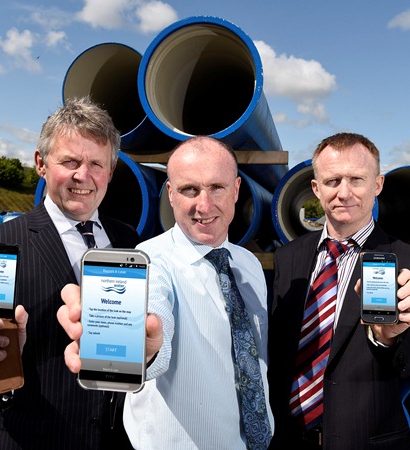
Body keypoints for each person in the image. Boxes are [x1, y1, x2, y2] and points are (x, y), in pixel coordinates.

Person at [58, 136, 274, 449]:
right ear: (171, 194)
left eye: (217, 187)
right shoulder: (150, 263)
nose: (204, 204)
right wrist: (143, 349)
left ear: (236, 190)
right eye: (190, 190)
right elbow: (153, 329)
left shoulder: (248, 264)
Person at [0, 97, 141, 450]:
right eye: (69, 161)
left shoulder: (128, 240)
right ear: (41, 163)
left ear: (111, 171)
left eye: (96, 164)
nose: (82, 176)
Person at [267, 132, 410, 449]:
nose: (344, 193)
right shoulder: (288, 257)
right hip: (287, 439)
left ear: (377, 185)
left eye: (356, 180)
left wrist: (394, 335)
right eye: (333, 181)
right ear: (316, 189)